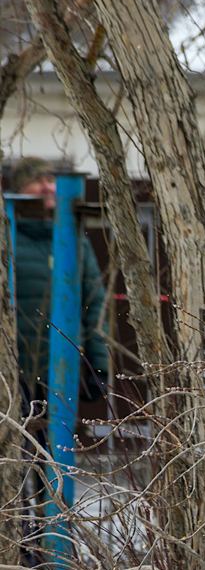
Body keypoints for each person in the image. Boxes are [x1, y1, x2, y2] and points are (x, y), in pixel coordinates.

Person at [9, 156, 109, 403]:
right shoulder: (7, 239)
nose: (47, 187)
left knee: (56, 439)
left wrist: (99, 365)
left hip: (62, 369)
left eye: (50, 180)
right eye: (36, 181)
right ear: (18, 191)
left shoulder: (75, 241)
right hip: (12, 371)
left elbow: (95, 303)